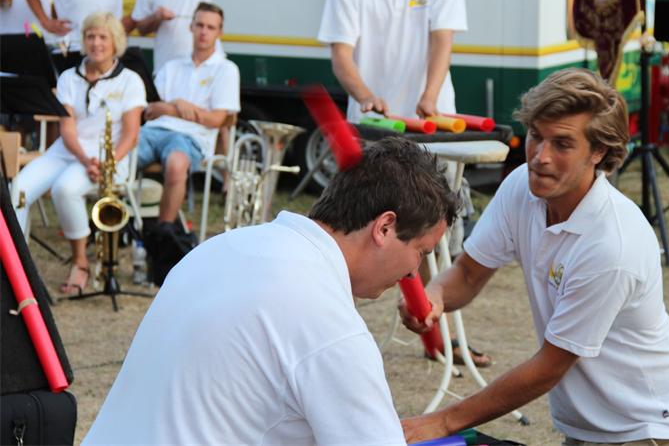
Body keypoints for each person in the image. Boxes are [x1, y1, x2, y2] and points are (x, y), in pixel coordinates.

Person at [400, 68, 669, 446]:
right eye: (536, 135)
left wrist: (442, 422)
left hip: (656, 428)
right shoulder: (521, 187)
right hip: (590, 427)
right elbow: (469, 274)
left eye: (563, 144)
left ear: (599, 151)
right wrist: (435, 296)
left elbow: (549, 367)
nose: (541, 157)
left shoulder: (612, 245)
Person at [82, 137, 459, 445]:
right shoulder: (330, 323)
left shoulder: (221, 247)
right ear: (385, 227)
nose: (414, 272)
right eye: (421, 252)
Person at [13, 12, 145, 294]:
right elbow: (67, 129)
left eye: (103, 37)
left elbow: (131, 134)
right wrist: (85, 160)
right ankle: (16, 268)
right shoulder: (69, 77)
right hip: (69, 152)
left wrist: (106, 163)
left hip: (112, 157)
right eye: (90, 36)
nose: (96, 43)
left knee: (65, 189)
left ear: (115, 41)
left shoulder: (130, 80)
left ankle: (80, 263)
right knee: (18, 190)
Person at [318, 0, 467, 122]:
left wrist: (430, 97)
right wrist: (366, 97)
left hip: (431, 119)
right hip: (374, 122)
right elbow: (341, 57)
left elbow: (442, 42)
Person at [137, 1, 240, 224]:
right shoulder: (171, 66)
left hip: (192, 138)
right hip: (153, 131)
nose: (204, 32)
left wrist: (171, 107)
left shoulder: (226, 70)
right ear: (190, 27)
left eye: (211, 27)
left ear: (220, 32)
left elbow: (216, 119)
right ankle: (113, 226)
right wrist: (181, 106)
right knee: (116, 156)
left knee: (177, 165)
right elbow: (151, 111)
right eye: (200, 25)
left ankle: (163, 231)